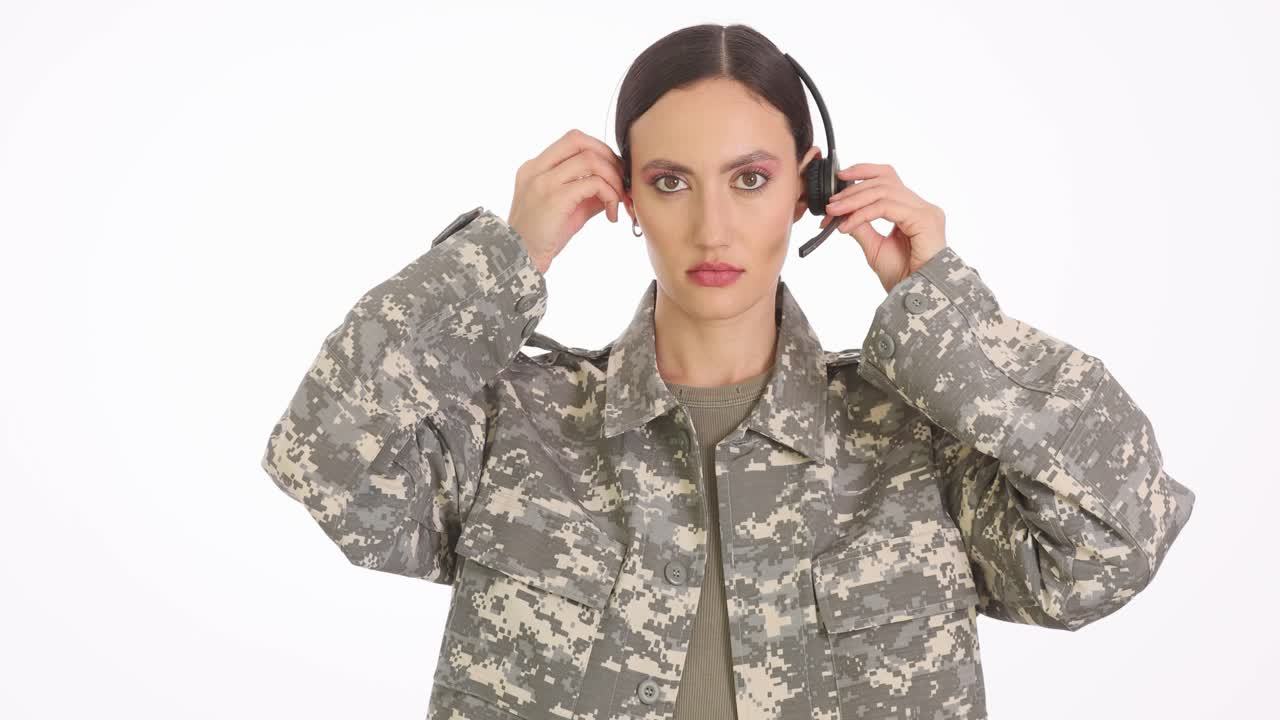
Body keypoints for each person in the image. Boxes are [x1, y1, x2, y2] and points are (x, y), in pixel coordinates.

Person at [260, 23, 1195, 720]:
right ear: (624, 196)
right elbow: (327, 454)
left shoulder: (912, 443)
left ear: (810, 188)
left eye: (750, 179)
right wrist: (501, 262)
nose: (713, 228)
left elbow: (1115, 540)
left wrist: (950, 326)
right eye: (671, 181)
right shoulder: (521, 432)